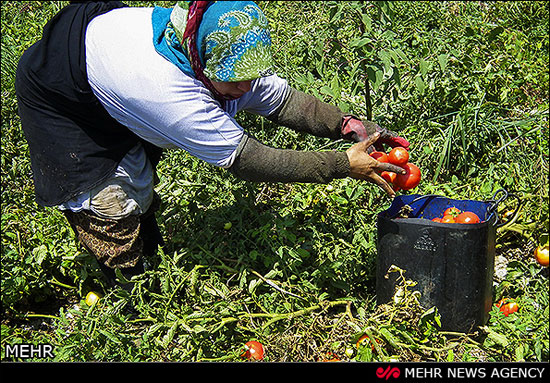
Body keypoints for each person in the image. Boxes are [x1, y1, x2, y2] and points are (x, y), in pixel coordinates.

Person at [15, 1, 409, 288]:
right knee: (110, 198)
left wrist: (349, 127)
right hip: (58, 90)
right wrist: (344, 164)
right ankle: (134, 291)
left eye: (250, 77)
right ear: (203, 62)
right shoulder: (169, 93)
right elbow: (251, 160)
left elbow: (287, 102)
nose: (245, 88)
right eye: (234, 80)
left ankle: (150, 250)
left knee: (137, 173)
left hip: (102, 43)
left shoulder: (219, 47)